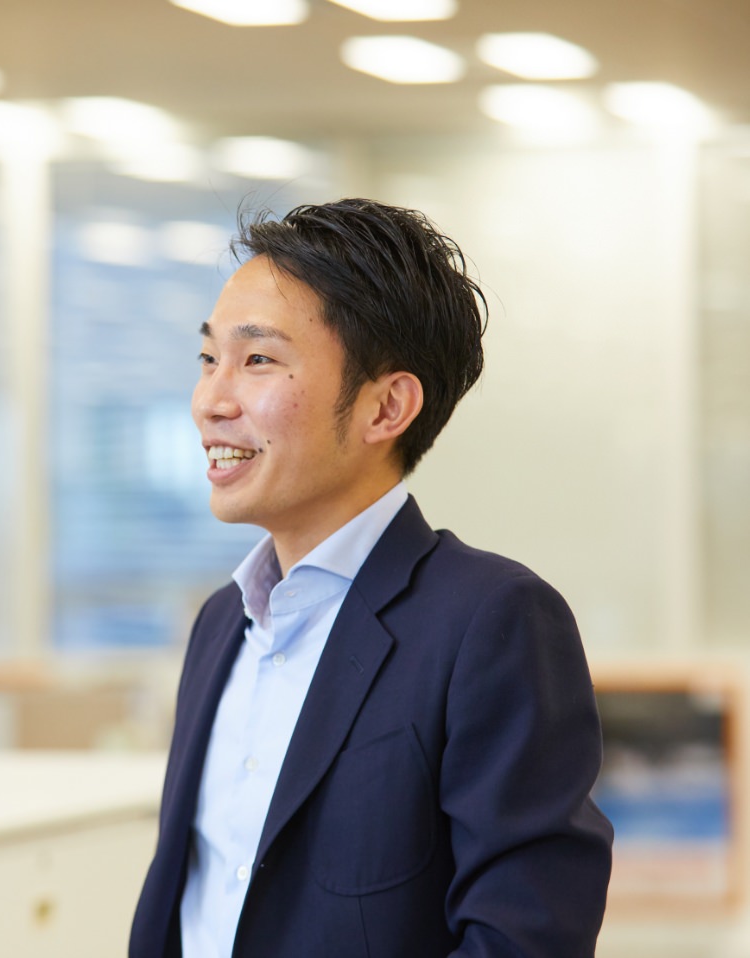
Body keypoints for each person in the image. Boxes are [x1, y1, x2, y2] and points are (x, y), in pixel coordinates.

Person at [130, 198, 612, 958]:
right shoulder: (222, 623)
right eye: (208, 359)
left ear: (386, 407)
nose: (210, 402)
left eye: (258, 360)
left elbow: (525, 940)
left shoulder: (491, 622)